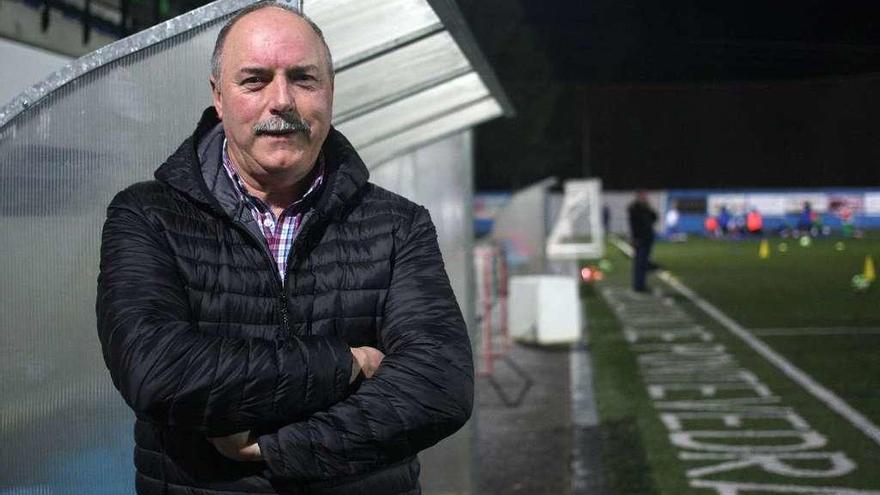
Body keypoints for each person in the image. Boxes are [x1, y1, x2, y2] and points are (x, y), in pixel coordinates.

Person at [96, 3, 474, 494]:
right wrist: (349, 364)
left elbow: (439, 386)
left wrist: (279, 447)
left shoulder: (396, 224)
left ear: (330, 93)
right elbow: (158, 373)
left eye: (303, 79)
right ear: (218, 96)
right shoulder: (149, 216)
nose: (281, 100)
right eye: (254, 80)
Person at [627, 191, 658, 292]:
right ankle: (639, 285)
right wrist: (634, 238)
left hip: (647, 238)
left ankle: (640, 284)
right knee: (640, 263)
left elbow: (655, 217)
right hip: (640, 239)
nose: (645, 198)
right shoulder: (635, 208)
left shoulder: (645, 208)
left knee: (642, 262)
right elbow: (635, 224)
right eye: (643, 196)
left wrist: (648, 207)